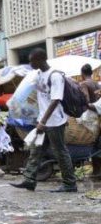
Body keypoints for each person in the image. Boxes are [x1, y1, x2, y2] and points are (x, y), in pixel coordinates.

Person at [10, 48, 79, 193]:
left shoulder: (55, 76)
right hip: (43, 120)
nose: (30, 63)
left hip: (55, 121)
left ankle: (70, 184)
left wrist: (43, 121)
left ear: (41, 59)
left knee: (60, 152)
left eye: (32, 60)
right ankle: (29, 180)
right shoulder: (39, 74)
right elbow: (37, 97)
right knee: (36, 150)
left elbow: (55, 100)